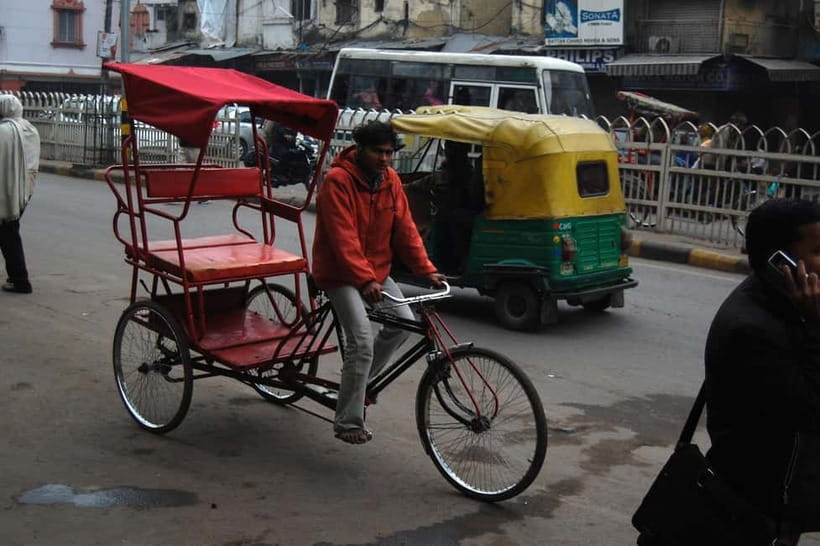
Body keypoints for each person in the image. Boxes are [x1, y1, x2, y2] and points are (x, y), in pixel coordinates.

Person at [312, 121, 445, 445]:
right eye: (378, 152)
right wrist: (364, 279)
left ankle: (358, 387)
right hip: (340, 274)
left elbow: (405, 229)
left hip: (376, 271)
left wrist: (426, 269)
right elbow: (343, 238)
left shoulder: (390, 181)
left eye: (389, 153)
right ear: (359, 149)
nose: (385, 159)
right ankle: (347, 420)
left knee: (402, 324)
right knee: (361, 342)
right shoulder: (338, 181)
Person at [705, 198, 820, 545]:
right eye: (818, 249)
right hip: (758, 502)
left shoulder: (788, 303)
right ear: (779, 262)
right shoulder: (750, 329)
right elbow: (813, 407)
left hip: (787, 490)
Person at [0, 95, 40, 294]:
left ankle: (20, 280)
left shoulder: (4, 131)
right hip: (25, 191)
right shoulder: (30, 129)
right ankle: (18, 278)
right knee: (8, 232)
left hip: (6, 190)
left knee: (8, 233)